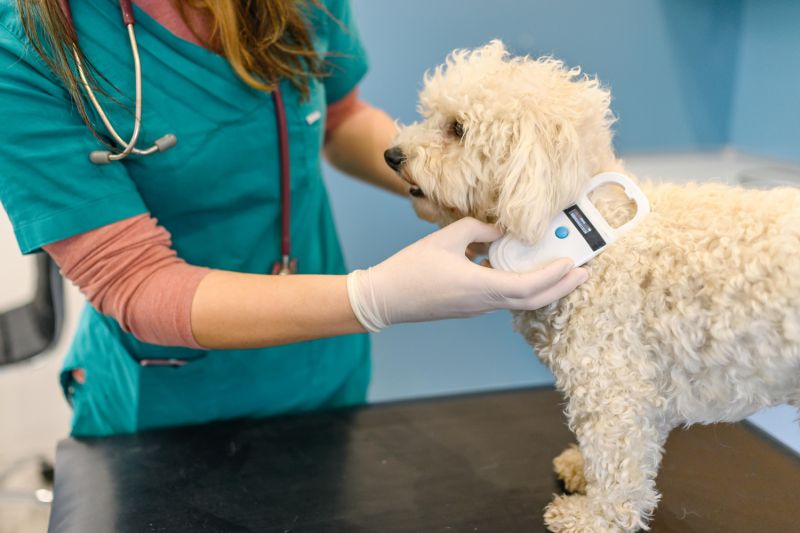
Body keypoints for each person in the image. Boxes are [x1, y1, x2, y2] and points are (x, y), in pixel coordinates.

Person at [0, 0, 588, 437]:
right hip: (168, 405)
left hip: (324, 374)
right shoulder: (29, 48)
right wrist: (374, 298)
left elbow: (340, 116)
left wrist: (461, 184)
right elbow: (133, 279)